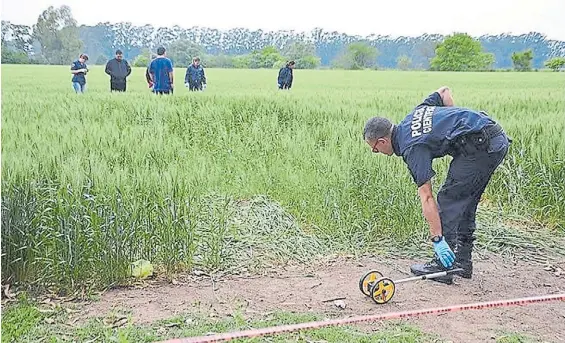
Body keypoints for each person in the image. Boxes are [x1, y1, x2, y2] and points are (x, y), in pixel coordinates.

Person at [363, 86, 511, 285]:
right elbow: (444, 92)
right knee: (465, 202)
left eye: (374, 149)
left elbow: (426, 196)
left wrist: (438, 240)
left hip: (481, 147)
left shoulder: (412, 148)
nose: (377, 153)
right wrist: (456, 125)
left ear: (381, 141)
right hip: (492, 139)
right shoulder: (413, 115)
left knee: (448, 201)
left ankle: (443, 266)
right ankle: (462, 262)